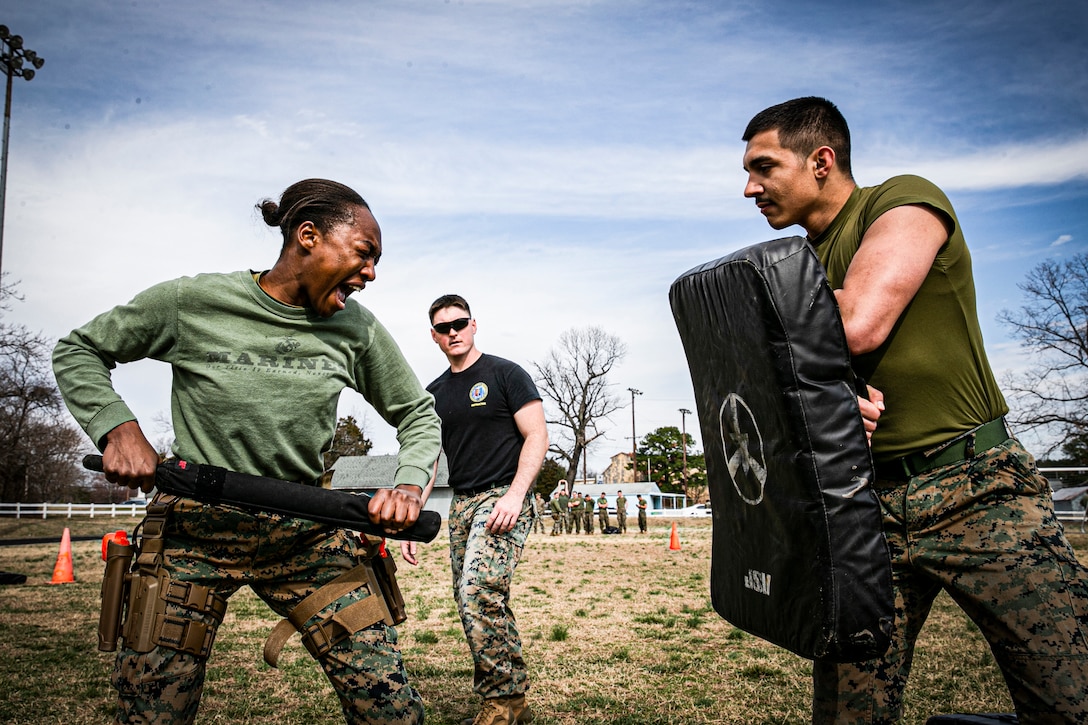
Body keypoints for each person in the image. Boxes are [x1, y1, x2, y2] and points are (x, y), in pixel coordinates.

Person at [741, 97, 1088, 724]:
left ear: (821, 161)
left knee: (1069, 700)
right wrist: (825, 406)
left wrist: (792, 368)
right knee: (848, 715)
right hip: (862, 510)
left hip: (976, 490)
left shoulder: (902, 200)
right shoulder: (796, 267)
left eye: (764, 167)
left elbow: (860, 323)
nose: (749, 188)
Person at [51, 179, 441, 725]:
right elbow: (80, 349)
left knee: (392, 710)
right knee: (152, 714)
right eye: (364, 254)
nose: (371, 273)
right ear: (308, 237)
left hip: (305, 529)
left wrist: (408, 482)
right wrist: (118, 428)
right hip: (195, 531)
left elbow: (418, 413)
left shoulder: (356, 328)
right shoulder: (193, 302)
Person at [402, 294, 548, 725]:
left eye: (459, 324)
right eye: (443, 328)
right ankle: (513, 697)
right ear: (434, 336)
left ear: (473, 325)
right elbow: (427, 461)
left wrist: (516, 495)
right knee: (473, 600)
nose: (453, 333)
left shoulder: (506, 374)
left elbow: (537, 435)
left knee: (478, 590)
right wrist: (413, 516)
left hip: (503, 496)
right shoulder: (434, 393)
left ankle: (501, 702)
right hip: (463, 505)